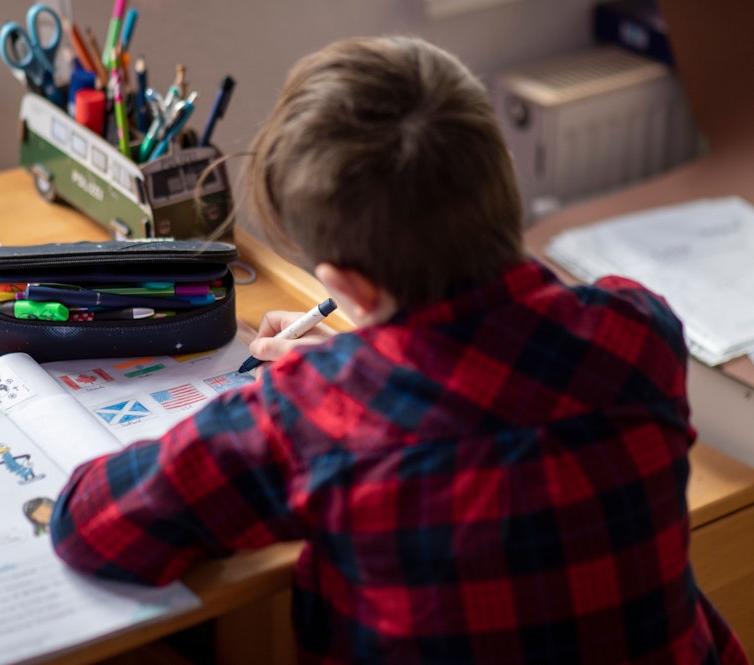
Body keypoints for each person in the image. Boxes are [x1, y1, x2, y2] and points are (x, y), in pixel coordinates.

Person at [50, 35, 748, 664]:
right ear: (506, 171)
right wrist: (363, 355)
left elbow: (93, 526)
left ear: (348, 286)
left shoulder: (311, 416)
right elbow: (494, 384)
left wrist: (330, 379)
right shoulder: (638, 329)